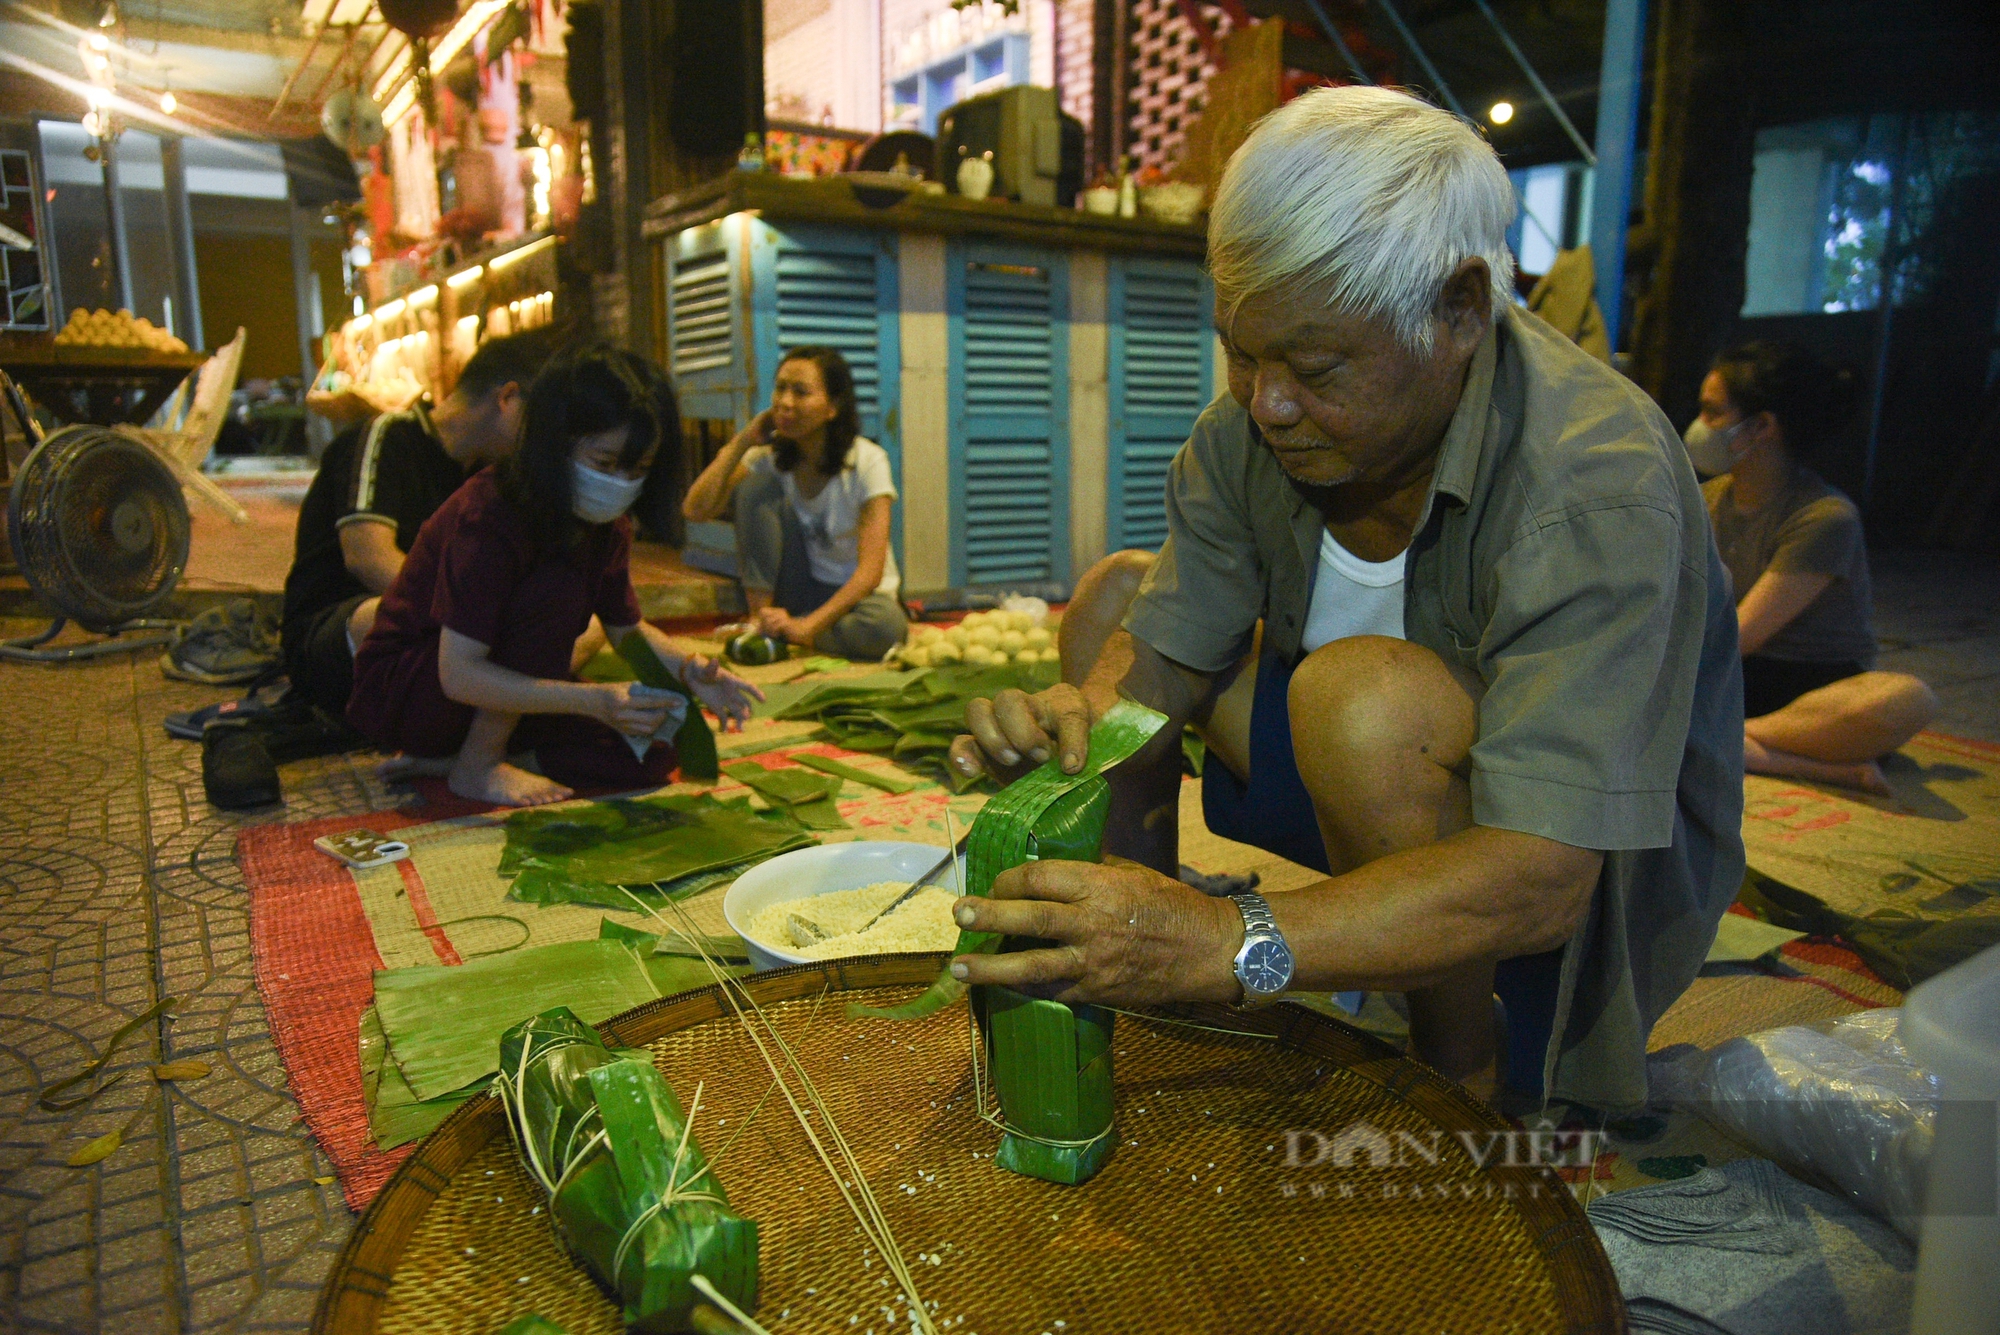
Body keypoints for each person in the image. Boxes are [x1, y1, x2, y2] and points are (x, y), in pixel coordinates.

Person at [945, 86, 1745, 1114]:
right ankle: (1135, 953)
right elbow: (1162, 656)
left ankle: (1461, 1065)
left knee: (1360, 701)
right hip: (1350, 787)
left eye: (1313, 367)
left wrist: (1233, 943)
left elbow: (1545, 877)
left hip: (1543, 883)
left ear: (1458, 311)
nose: (1263, 401)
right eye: (1238, 348)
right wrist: (1076, 719)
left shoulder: (1595, 482)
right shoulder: (1250, 429)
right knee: (1113, 604)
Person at [346, 344, 762, 806]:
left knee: (652, 746)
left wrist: (690, 672)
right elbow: (458, 675)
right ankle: (475, 766)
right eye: (604, 464)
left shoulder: (606, 523)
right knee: (555, 594)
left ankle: (458, 760)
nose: (620, 482)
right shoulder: (490, 515)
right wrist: (596, 702)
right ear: (558, 443)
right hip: (414, 692)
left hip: (489, 699)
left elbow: (627, 630)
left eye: (638, 469)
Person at [1687, 340, 1937, 793]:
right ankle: (1807, 764)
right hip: (1737, 679)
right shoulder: (1705, 501)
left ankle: (1727, 741)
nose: (1699, 426)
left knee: (1910, 699)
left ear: (1761, 426)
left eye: (1712, 413)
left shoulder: (1825, 517)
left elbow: (1737, 636)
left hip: (1811, 689)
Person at [280, 327, 567, 717]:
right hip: (339, 633)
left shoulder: (491, 472)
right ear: (508, 398)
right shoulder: (389, 435)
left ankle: (479, 715)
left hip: (444, 633)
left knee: (574, 620)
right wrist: (476, 618)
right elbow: (367, 557)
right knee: (400, 618)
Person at [680, 346, 908, 660]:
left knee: (886, 628)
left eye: (800, 392)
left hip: (856, 599)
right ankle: (762, 621)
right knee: (754, 489)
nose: (785, 403)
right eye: (781, 389)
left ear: (833, 407)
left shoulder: (868, 462)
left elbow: (870, 573)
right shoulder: (770, 459)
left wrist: (809, 627)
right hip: (800, 589)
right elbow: (695, 510)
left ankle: (788, 635)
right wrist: (743, 440)